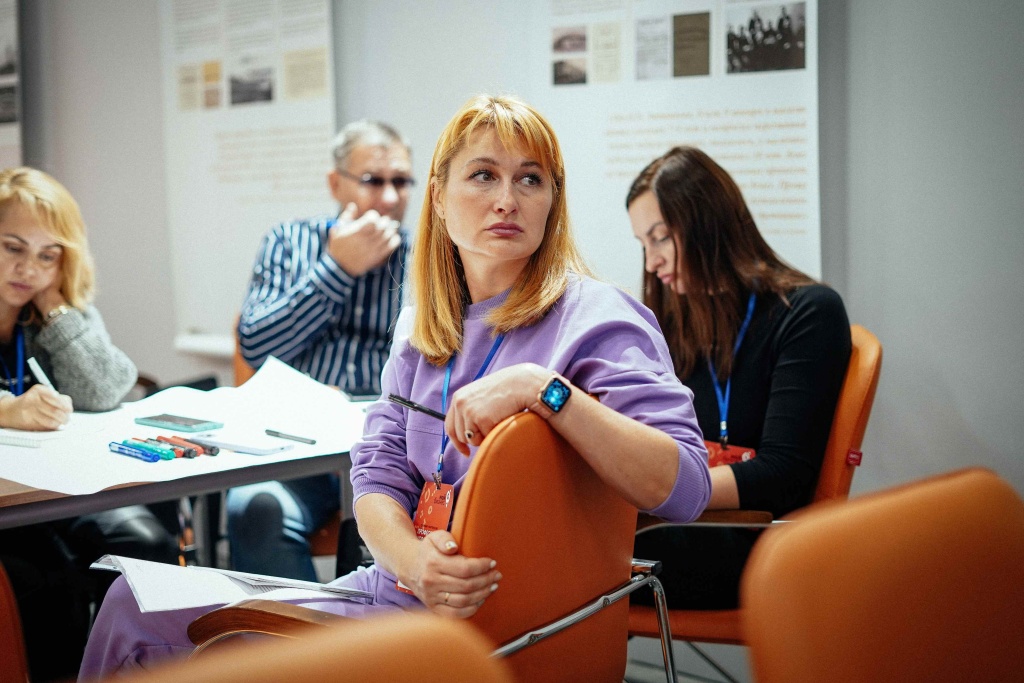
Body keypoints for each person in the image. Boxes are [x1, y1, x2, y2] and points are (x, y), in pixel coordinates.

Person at [79, 94, 711, 679]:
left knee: (133, 623)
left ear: (553, 200)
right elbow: (377, 477)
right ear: (438, 198)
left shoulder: (598, 317)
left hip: (486, 636)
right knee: (128, 598)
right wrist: (414, 563)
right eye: (483, 175)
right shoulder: (426, 331)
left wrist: (544, 390)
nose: (507, 199)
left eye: (531, 179)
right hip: (396, 595)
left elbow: (684, 487)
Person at [626, 146, 852, 609]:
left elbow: (783, 475)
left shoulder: (809, 313)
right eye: (643, 245)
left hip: (756, 537)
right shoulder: (676, 320)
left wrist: (662, 493)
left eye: (661, 238)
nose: (651, 263)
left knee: (565, 559)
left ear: (707, 225)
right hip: (682, 525)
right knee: (558, 543)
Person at [0, 167, 179, 681]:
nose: (28, 267)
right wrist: (6, 409)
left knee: (147, 544)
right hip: (12, 508)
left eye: (47, 253)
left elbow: (105, 389)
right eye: (13, 247)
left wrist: (55, 307)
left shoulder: (56, 309)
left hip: (63, 492)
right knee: (44, 579)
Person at [227, 120, 413, 580]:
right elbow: (255, 345)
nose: (389, 199)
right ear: (336, 183)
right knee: (255, 508)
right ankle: (309, 649)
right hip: (296, 448)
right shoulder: (289, 242)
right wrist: (337, 270)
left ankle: (384, 645)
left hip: (389, 446)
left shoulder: (427, 257)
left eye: (401, 182)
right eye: (373, 181)